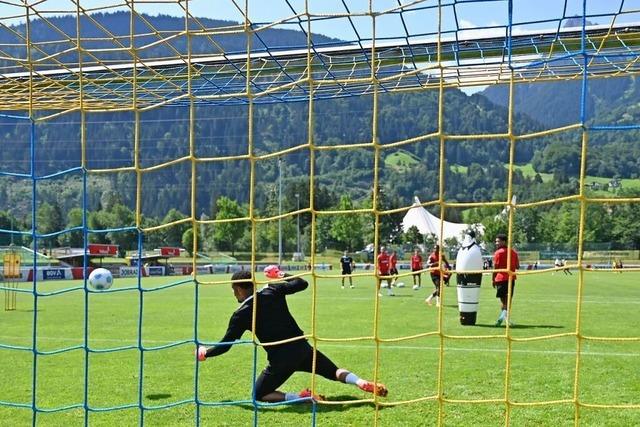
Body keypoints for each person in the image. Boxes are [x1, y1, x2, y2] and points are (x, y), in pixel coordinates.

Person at [196, 267, 388, 402]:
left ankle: (299, 397)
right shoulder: (273, 290)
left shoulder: (241, 314)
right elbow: (301, 283)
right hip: (302, 349)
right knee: (334, 372)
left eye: (234, 291)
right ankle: (360, 382)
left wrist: (206, 352)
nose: (234, 295)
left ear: (238, 289)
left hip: (280, 361)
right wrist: (279, 274)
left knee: (258, 395)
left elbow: (226, 345)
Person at [492, 234, 520, 326]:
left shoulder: (498, 253)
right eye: (496, 241)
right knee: (507, 301)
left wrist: (493, 279)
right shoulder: (514, 252)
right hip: (510, 278)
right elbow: (517, 266)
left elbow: (495, 268)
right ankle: (505, 318)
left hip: (500, 278)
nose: (496, 243)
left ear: (504, 241)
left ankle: (503, 317)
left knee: (503, 301)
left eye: (498, 241)